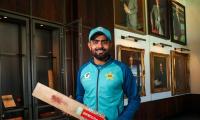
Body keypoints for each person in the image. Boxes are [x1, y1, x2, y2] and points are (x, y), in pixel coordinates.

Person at [76, 27, 141, 120]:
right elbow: (80, 96)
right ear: (89, 45)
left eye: (104, 42)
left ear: (110, 44)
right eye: (95, 42)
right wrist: (71, 106)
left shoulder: (122, 69)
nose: (100, 46)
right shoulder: (83, 70)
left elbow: (134, 99)